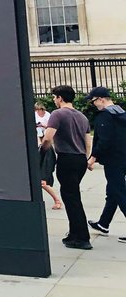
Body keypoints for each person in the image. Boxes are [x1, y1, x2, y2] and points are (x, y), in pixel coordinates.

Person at [42, 85, 93, 249]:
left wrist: (42, 151)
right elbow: (88, 141)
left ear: (59, 98)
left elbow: (48, 138)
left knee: (71, 198)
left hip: (66, 158)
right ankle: (74, 233)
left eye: (54, 97)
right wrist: (85, 157)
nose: (54, 101)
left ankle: (81, 237)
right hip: (80, 159)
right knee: (73, 195)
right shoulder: (82, 116)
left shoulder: (58, 114)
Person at [84, 86, 126, 241]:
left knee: (120, 193)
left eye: (93, 101)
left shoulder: (105, 116)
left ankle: (103, 223)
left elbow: (104, 140)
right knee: (114, 192)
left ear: (101, 99)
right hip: (123, 156)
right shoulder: (121, 112)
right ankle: (103, 223)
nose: (93, 104)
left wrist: (93, 157)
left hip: (113, 159)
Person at [34, 102, 62, 209]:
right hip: (42, 147)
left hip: (44, 149)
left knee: (42, 181)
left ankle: (57, 200)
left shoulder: (49, 116)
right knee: (41, 180)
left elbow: (47, 137)